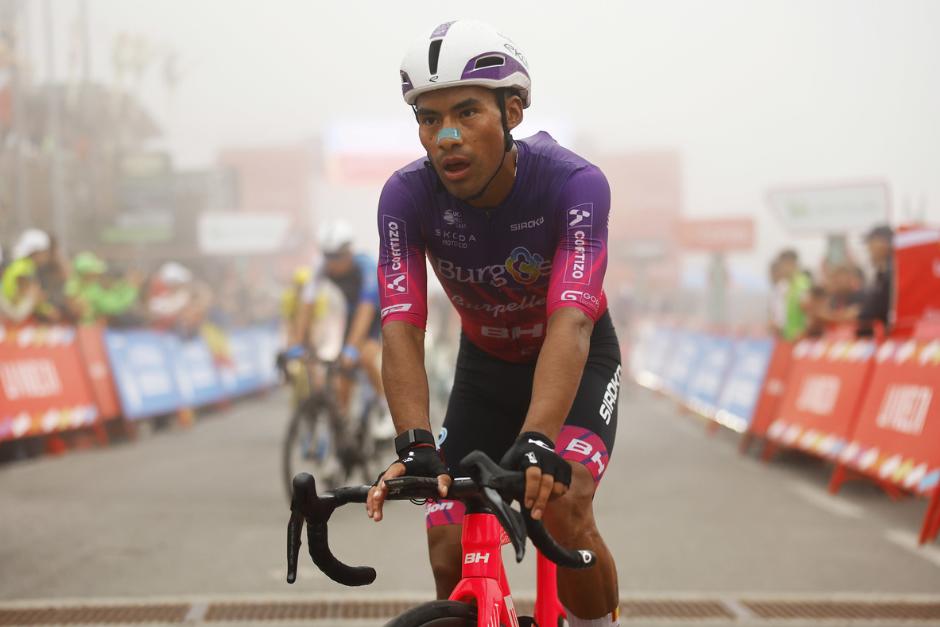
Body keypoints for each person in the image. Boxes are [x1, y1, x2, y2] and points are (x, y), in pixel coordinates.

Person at [366, 20, 621, 626]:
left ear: (512, 112)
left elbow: (572, 322)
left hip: (573, 360)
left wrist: (538, 437)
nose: (446, 136)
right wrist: (414, 442)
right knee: (447, 537)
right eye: (428, 119)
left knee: (566, 503)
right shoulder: (405, 197)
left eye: (466, 112)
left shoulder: (575, 184)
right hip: (484, 369)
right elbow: (401, 324)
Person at [290, 221, 392, 436]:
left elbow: (365, 312)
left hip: (376, 315)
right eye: (326, 256)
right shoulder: (321, 267)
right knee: (341, 379)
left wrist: (352, 349)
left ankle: (386, 408)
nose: (330, 262)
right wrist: (296, 344)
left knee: (364, 357)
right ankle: (342, 437)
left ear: (348, 252)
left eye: (335, 256)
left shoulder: (365, 267)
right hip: (350, 318)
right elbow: (306, 306)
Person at [776, 249, 812, 341]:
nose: (781, 269)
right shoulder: (784, 285)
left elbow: (810, 312)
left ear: (791, 264)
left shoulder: (802, 284)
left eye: (782, 265)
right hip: (787, 337)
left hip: (800, 338)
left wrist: (803, 333)